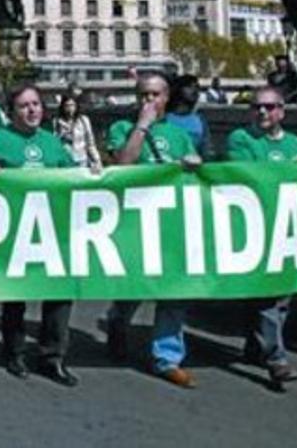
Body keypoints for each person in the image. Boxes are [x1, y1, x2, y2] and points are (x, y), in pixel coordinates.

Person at [104, 71, 203, 388]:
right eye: (144, 95)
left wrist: (193, 165)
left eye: (155, 95)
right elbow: (122, 166)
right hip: (135, 222)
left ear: (166, 99)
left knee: (173, 290)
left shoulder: (178, 134)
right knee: (134, 285)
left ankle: (167, 357)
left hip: (171, 221)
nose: (149, 101)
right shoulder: (122, 128)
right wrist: (142, 126)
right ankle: (118, 321)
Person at [0, 83, 80, 387]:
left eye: (36, 103)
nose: (32, 110)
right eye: (24, 105)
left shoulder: (52, 143)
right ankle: (15, 351)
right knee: (15, 295)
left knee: (60, 293)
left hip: (51, 227)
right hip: (13, 228)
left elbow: (74, 177)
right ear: (11, 112)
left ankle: (53, 356)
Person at [224, 86, 297, 384]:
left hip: (287, 226)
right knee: (267, 296)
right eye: (257, 107)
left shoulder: (296, 144)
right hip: (255, 227)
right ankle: (276, 359)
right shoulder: (241, 139)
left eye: (270, 107)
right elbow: (247, 175)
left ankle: (255, 345)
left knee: (281, 296)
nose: (263, 112)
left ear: (282, 111)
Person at [52, 92, 102, 169]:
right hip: (66, 160)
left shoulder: (83, 120)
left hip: (81, 160)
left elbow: (90, 143)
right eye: (67, 106)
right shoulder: (57, 121)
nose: (70, 108)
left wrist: (97, 159)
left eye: (72, 105)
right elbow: (54, 141)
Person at [167, 74, 210, 158]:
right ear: (178, 90)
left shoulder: (200, 120)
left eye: (197, 87)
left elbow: (205, 151)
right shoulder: (164, 118)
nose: (195, 90)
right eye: (189, 87)